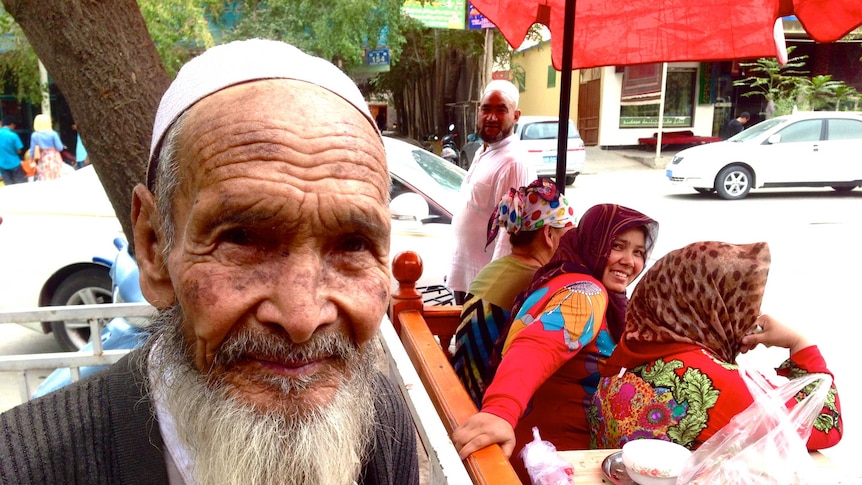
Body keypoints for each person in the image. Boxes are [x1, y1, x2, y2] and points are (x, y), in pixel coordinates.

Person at [0, 39, 419, 485]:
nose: (302, 318)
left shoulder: (383, 423)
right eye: (241, 239)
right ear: (153, 247)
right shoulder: (23, 468)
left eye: (352, 244)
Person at [452, 203, 659, 482]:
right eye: (618, 246)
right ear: (594, 243)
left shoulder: (564, 276)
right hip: (550, 461)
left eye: (638, 253)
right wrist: (501, 409)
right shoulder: (586, 294)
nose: (629, 261)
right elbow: (538, 346)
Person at [588, 241, 842, 451]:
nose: (750, 316)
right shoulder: (713, 382)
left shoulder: (627, 352)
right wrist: (799, 342)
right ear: (714, 307)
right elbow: (824, 425)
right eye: (743, 305)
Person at [451, 177, 576, 407]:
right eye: (568, 232)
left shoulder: (493, 268)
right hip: (487, 406)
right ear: (548, 234)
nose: (573, 240)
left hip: (461, 395)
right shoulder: (538, 282)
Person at [447, 79, 536, 304]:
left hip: (485, 288)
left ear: (516, 116)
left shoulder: (514, 162)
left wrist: (491, 292)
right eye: (486, 109)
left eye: (501, 110)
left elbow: (510, 233)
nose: (492, 117)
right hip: (468, 277)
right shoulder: (483, 151)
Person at [29, 113, 67, 181]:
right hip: (55, 158)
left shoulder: (35, 135)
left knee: (44, 177)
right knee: (57, 176)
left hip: (43, 158)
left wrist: (32, 159)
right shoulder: (53, 133)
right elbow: (60, 148)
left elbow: (32, 151)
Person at [0, 116, 25, 185]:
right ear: (12, 124)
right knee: (20, 184)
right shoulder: (13, 135)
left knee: (8, 185)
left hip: (2, 164)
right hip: (14, 163)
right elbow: (19, 150)